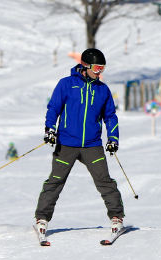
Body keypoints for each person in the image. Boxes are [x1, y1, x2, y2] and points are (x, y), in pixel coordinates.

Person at [35, 48, 125, 238]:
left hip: (92, 144)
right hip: (66, 143)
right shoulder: (66, 84)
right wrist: (50, 129)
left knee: (104, 180)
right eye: (97, 68)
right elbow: (54, 108)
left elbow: (110, 116)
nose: (100, 72)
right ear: (85, 66)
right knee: (55, 181)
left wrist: (113, 138)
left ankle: (117, 217)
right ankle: (41, 219)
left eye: (103, 68)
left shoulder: (103, 89)